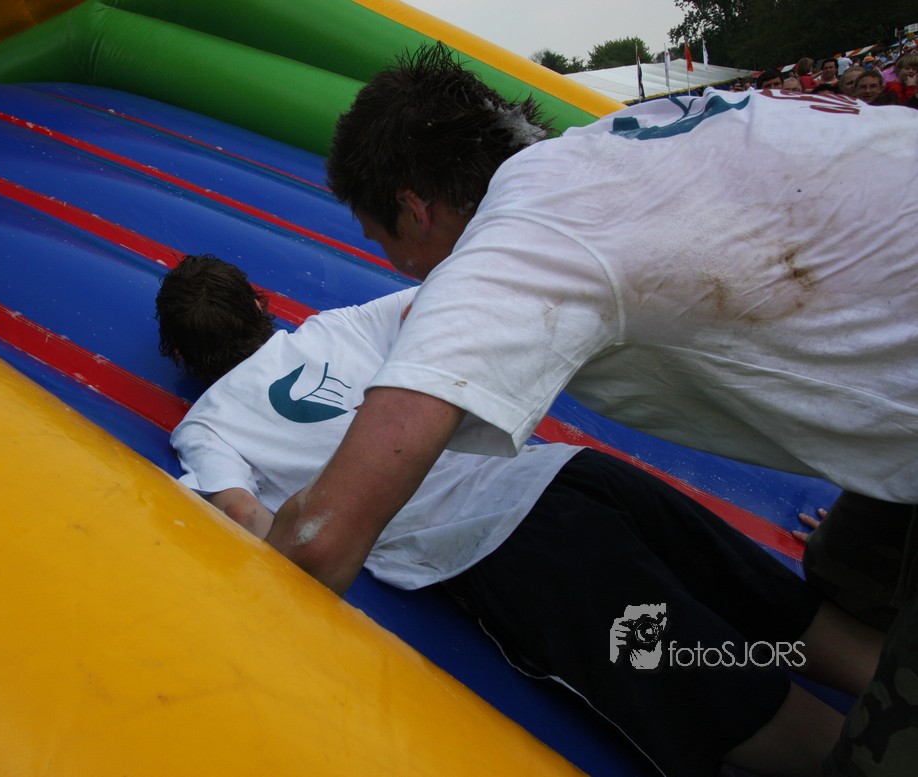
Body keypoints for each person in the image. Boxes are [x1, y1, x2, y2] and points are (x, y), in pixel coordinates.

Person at [275, 43, 918, 775]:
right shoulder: (604, 147)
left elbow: (321, 539)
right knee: (853, 574)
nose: (401, 269)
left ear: (415, 209)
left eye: (382, 240)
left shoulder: (517, 239)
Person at [157, 254, 883, 777]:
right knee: (778, 610)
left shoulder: (207, 426)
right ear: (260, 305)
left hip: (510, 547)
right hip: (575, 477)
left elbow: (247, 520)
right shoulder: (337, 327)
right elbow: (452, 299)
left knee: (735, 706)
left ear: (180, 354)